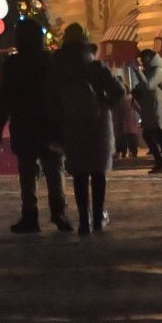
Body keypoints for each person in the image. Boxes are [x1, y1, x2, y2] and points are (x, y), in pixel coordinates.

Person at [0, 16, 71, 233]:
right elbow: (60, 93)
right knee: (54, 170)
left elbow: (5, 97)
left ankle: (30, 215)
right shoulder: (50, 60)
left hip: (25, 124)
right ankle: (59, 212)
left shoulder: (14, 63)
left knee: (28, 173)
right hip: (49, 123)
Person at [47, 24, 123, 236]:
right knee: (98, 173)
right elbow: (119, 91)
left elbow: (51, 101)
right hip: (98, 125)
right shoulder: (95, 67)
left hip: (72, 124)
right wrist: (104, 104)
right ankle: (98, 218)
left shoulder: (58, 69)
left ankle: (83, 221)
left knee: (80, 174)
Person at [134, 48, 162, 174]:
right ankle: (160, 162)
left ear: (150, 57)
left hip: (159, 109)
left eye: (143, 58)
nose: (142, 61)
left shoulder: (158, 71)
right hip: (151, 109)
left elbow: (148, 85)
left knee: (160, 137)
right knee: (149, 135)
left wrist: (137, 71)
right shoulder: (149, 71)